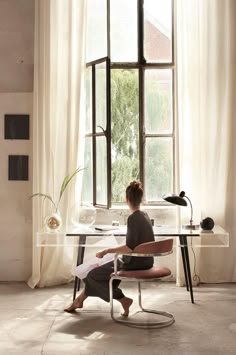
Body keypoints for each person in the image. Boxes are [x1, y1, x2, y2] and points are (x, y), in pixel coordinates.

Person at [64, 180, 154, 316]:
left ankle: (123, 300)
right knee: (97, 274)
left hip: (133, 263)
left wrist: (106, 251)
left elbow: (129, 247)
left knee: (92, 275)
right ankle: (79, 300)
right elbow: (135, 245)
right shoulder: (145, 215)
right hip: (145, 261)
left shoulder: (133, 218)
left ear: (127, 199)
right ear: (141, 199)